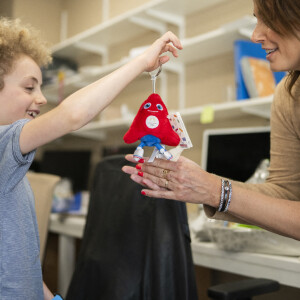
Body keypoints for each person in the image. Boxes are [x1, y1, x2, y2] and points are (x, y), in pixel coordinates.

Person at [0, 16, 182, 299]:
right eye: (28, 87)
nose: (42, 98)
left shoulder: (13, 169)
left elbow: (21, 267)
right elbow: (73, 115)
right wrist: (141, 63)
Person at [122, 0, 300, 241]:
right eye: (257, 20)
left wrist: (216, 191)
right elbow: (283, 195)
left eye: (267, 20)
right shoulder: (288, 95)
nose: (256, 34)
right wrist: (202, 186)